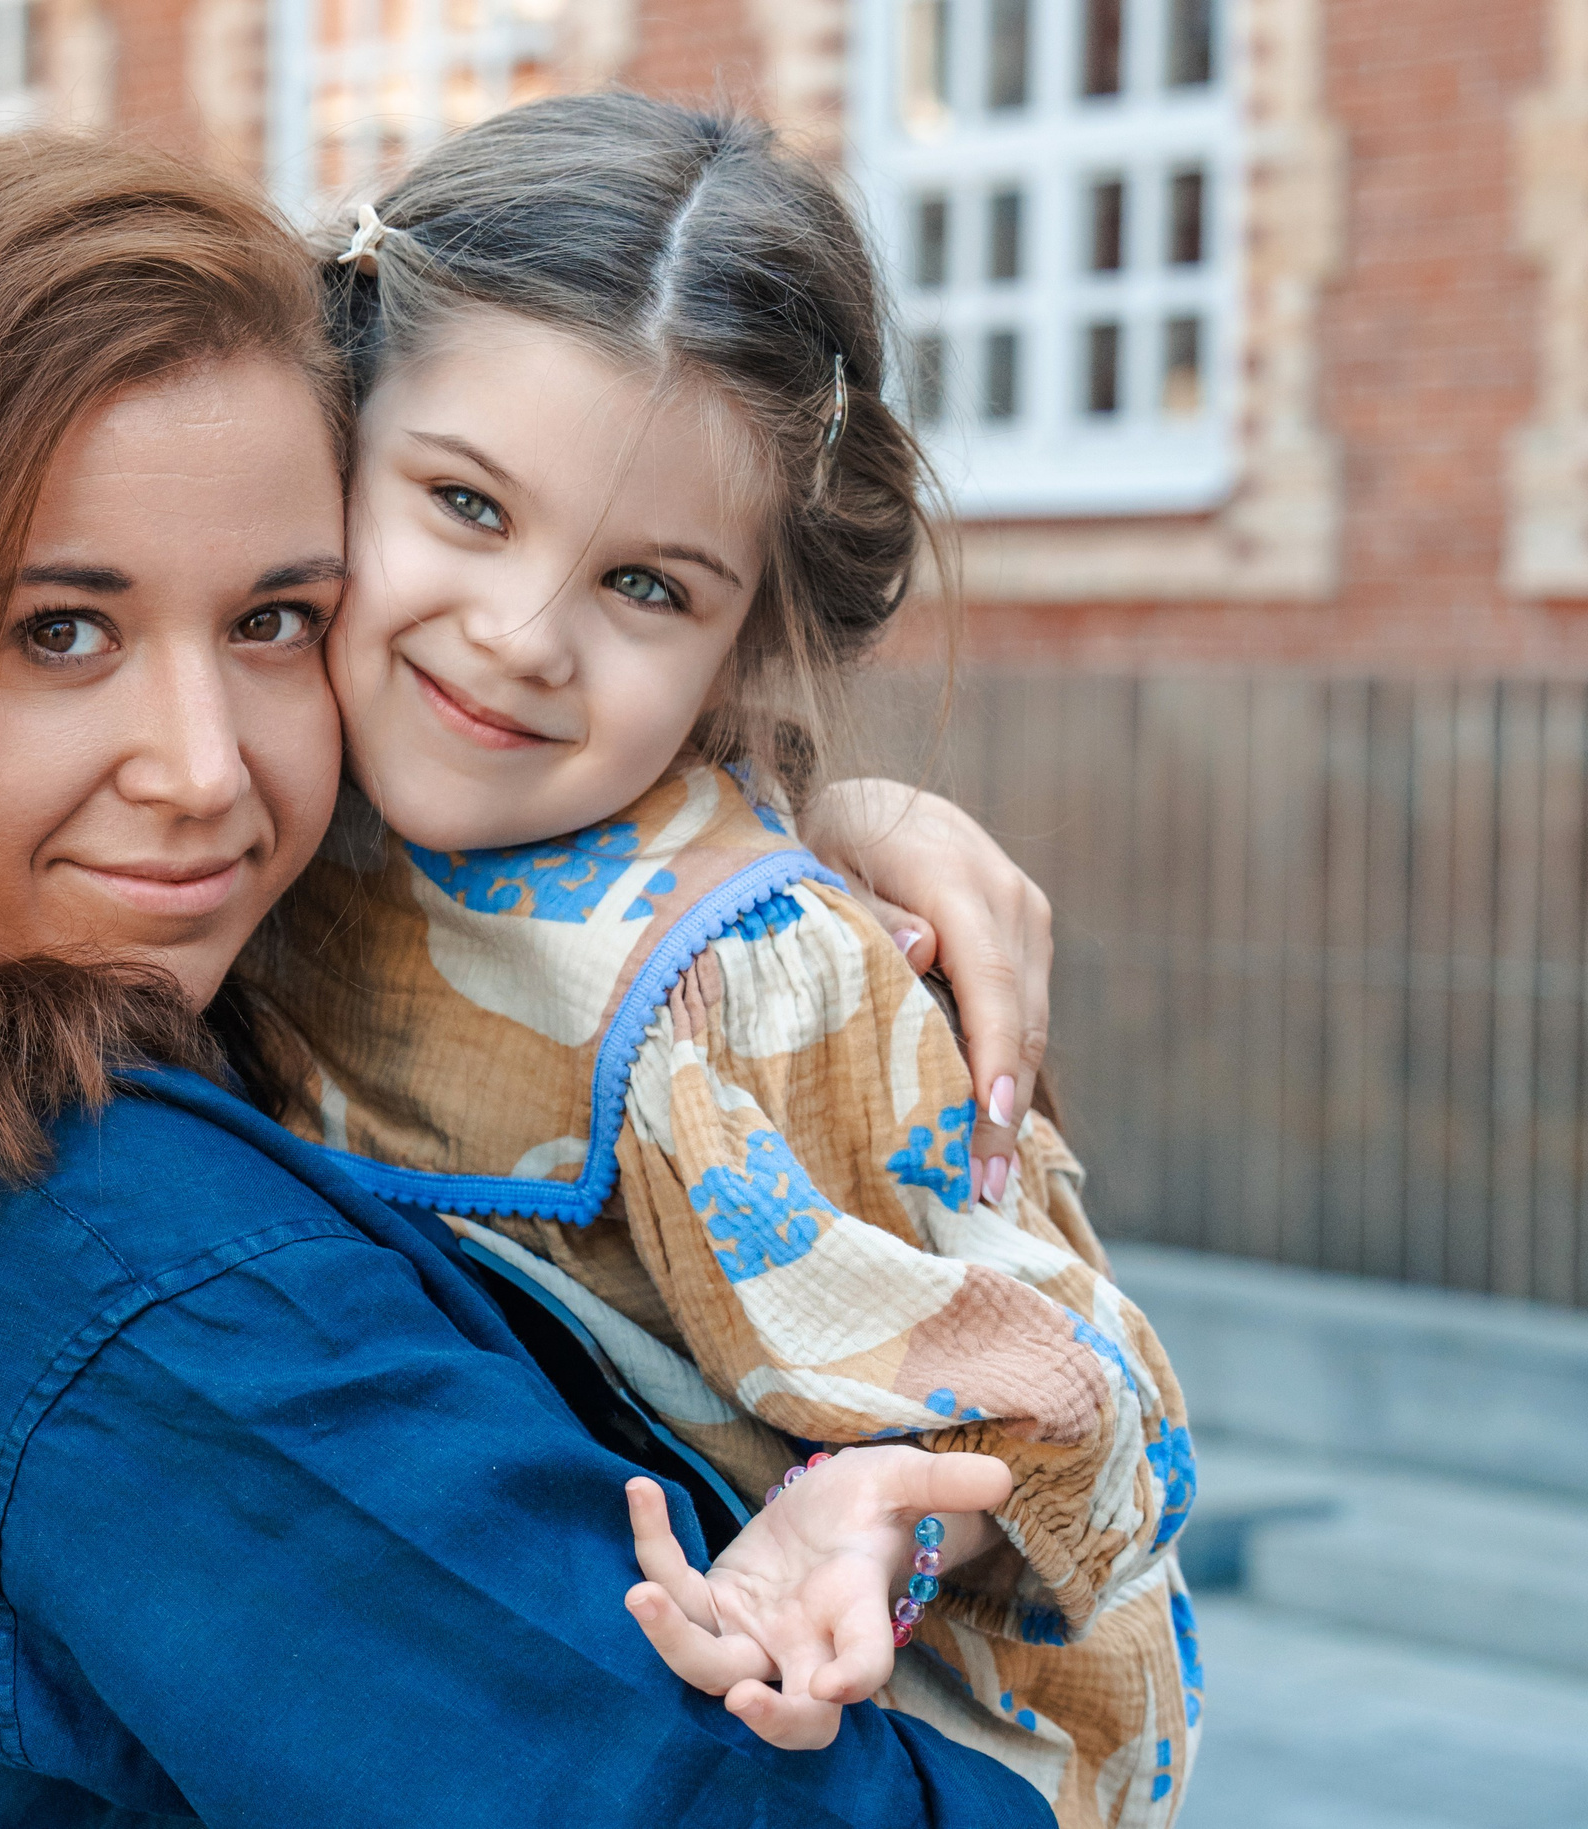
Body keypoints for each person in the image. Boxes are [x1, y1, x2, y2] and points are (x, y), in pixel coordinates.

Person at [0, 130, 1059, 1826]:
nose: (205, 769)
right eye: (58, 631)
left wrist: (801, 835)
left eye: (275, 620)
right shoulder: (128, 1284)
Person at [235, 95, 1199, 1825]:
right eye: (464, 502)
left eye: (647, 587)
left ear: (744, 641)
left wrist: (884, 1507)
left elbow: (1073, 1388)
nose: (520, 635)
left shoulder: (732, 982)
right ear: (336, 437)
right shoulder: (267, 794)